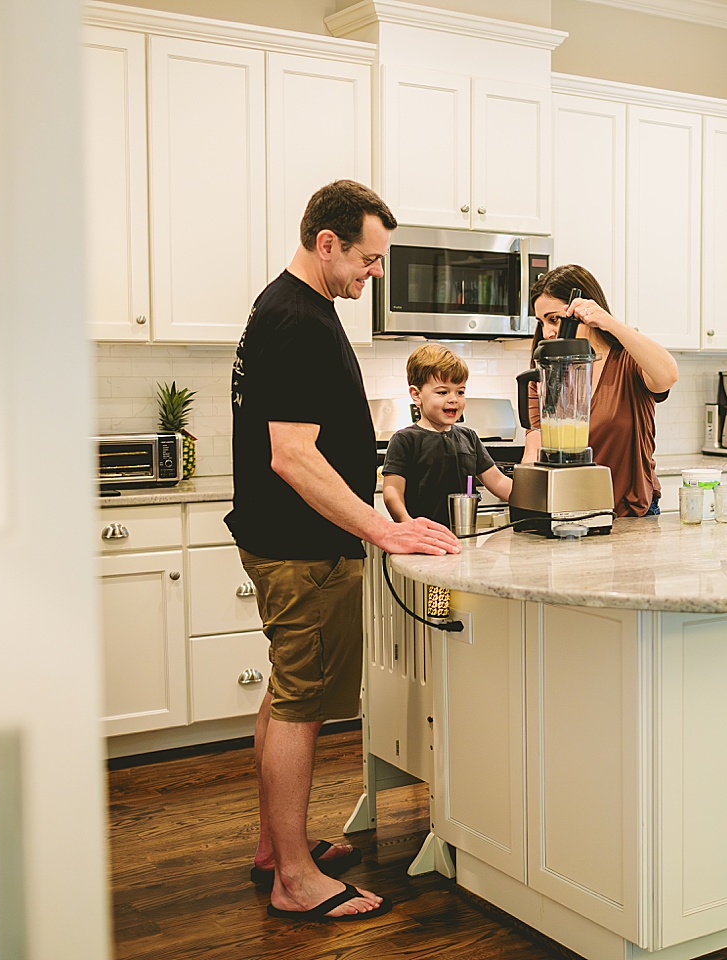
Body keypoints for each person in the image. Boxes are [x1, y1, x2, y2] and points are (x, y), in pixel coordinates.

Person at [226, 180, 461, 923]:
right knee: (299, 706)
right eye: (369, 257)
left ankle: (278, 849)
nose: (376, 272)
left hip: (292, 545)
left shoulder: (293, 307)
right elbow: (292, 456)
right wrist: (381, 527)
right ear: (327, 243)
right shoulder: (296, 317)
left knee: (284, 691)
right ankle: (295, 877)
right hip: (302, 549)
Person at [521, 265, 678, 516]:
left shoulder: (628, 363)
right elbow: (534, 448)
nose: (547, 332)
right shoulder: (544, 376)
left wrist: (608, 322)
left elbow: (668, 374)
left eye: (554, 319)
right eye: (541, 322)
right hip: (569, 513)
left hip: (631, 514)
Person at [382, 343, 514, 526]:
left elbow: (499, 482)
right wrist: (407, 523)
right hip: (421, 540)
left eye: (460, 391)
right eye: (443, 392)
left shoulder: (469, 438)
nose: (453, 399)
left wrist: (536, 501)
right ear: (416, 395)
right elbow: (392, 491)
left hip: (464, 538)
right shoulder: (405, 440)